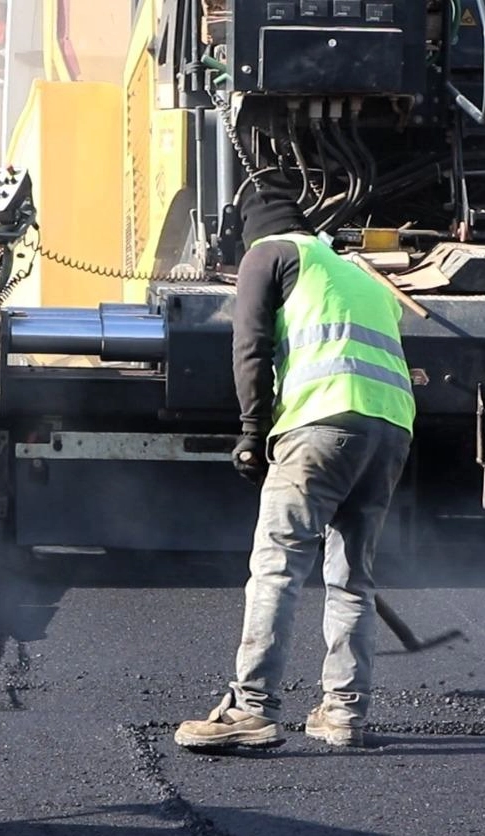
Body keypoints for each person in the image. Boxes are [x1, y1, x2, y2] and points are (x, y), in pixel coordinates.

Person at [174, 184, 415, 751]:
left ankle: (252, 708)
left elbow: (250, 346)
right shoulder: (357, 272)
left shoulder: (271, 254)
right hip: (390, 429)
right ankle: (344, 714)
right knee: (352, 577)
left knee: (278, 566)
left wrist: (253, 432)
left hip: (320, 424)